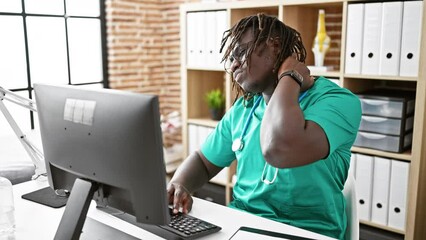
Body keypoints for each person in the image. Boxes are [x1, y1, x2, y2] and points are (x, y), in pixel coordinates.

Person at [168, 13, 361, 239]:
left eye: (240, 52)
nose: (233, 65)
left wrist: (290, 75)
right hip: (241, 225)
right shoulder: (245, 107)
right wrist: (180, 185)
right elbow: (203, 161)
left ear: (276, 46)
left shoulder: (338, 101)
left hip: (306, 231)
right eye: (230, 59)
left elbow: (279, 149)